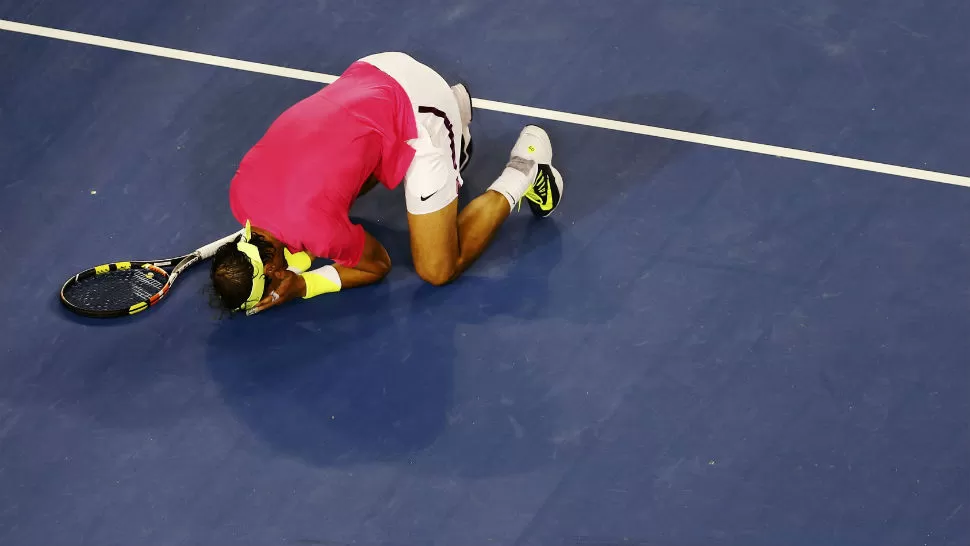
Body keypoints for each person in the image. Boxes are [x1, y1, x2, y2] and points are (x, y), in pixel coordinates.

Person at [208, 52, 564, 316]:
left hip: (418, 111)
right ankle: (454, 114)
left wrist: (303, 284)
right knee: (336, 188)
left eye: (268, 288)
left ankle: (527, 169)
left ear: (271, 270)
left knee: (437, 269)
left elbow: (377, 264)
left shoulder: (316, 230)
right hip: (372, 73)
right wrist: (299, 257)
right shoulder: (239, 197)